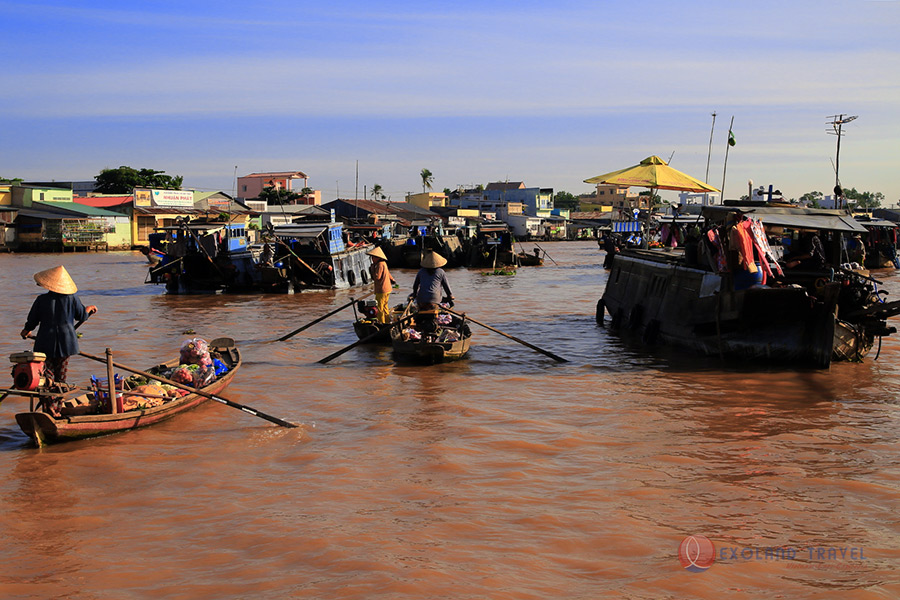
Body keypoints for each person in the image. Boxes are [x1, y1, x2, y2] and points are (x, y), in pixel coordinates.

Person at [20, 266, 98, 389]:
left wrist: (26, 330)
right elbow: (82, 316)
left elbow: (32, 320)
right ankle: (57, 405)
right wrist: (88, 309)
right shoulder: (72, 299)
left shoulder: (41, 300)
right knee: (61, 377)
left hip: (45, 342)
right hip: (66, 343)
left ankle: (49, 404)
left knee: (46, 376)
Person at [410, 251, 453, 332]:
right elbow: (446, 286)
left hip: (421, 300)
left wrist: (415, 294)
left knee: (419, 314)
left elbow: (415, 286)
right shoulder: (441, 272)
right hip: (435, 300)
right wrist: (450, 296)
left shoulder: (421, 271)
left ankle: (419, 326)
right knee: (435, 311)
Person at [367, 246, 397, 323]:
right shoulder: (384, 263)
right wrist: (393, 280)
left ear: (378, 257)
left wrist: (372, 269)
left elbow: (377, 277)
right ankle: (387, 322)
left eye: (373, 257)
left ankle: (382, 323)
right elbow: (388, 274)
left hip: (381, 290)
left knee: (379, 308)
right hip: (387, 289)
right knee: (385, 307)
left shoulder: (379, 265)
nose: (372, 259)